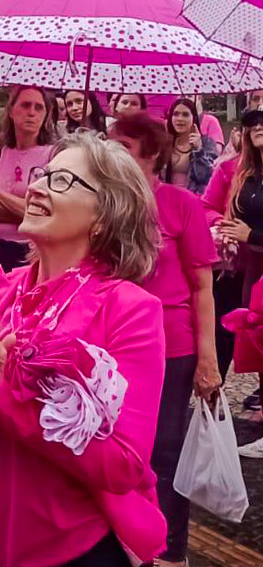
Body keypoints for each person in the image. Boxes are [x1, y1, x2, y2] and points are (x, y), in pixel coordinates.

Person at [0, 132, 167, 567]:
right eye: (43, 175)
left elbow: (122, 465)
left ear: (104, 216)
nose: (36, 187)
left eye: (62, 182)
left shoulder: (130, 310)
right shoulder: (7, 293)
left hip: (77, 547)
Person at [108, 114, 221, 566]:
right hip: (113, 344)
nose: (116, 154)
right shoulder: (104, 203)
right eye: (111, 144)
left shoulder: (179, 205)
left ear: (152, 155)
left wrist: (208, 358)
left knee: (166, 449)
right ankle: (125, 540)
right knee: (117, 450)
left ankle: (171, 550)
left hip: (172, 345)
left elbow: (202, 286)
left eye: (126, 147)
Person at [206, 111, 263, 439]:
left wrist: (251, 235)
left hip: (253, 260)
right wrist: (223, 228)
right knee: (241, 333)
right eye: (252, 123)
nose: (258, 127)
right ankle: (214, 395)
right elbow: (208, 206)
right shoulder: (240, 171)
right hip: (242, 269)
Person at [0, 86, 57, 272]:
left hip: (31, 253)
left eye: (38, 107)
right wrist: (27, 210)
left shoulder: (53, 157)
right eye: (25, 105)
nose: (31, 113)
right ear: (11, 111)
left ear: (46, 115)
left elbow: (47, 214)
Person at [162, 99, 219, 195]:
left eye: (185, 115)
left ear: (194, 118)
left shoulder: (206, 143)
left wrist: (198, 150)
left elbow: (206, 177)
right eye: (175, 114)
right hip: (167, 198)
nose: (180, 119)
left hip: (194, 199)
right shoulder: (164, 142)